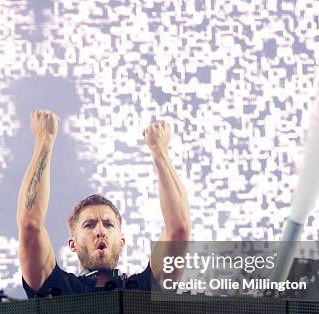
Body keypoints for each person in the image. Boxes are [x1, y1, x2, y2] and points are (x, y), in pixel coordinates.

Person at [17, 109, 190, 298]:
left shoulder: (143, 289)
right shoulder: (59, 289)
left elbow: (178, 228)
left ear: (122, 242)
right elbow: (30, 224)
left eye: (108, 224)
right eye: (89, 225)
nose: (100, 231)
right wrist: (45, 140)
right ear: (72, 244)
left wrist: (159, 151)